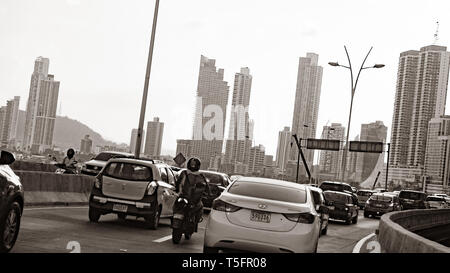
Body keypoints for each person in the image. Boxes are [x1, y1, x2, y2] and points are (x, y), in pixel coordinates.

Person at [174, 157, 210, 227]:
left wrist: (207, 192)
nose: (193, 166)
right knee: (176, 207)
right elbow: (177, 183)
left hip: (192, 198)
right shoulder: (185, 173)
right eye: (192, 164)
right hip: (184, 196)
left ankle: (194, 222)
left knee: (199, 206)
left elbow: (206, 186)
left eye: (194, 164)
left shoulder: (199, 175)